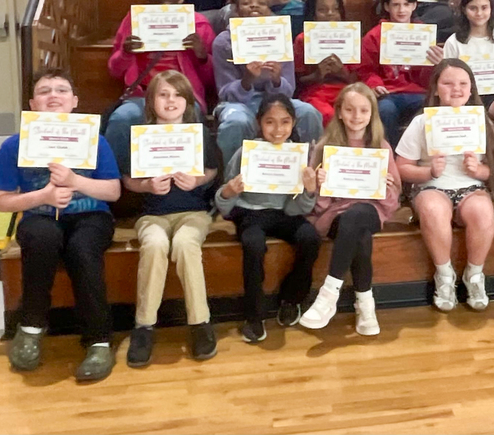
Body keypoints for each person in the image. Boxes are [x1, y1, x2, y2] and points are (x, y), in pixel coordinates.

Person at [0, 69, 121, 382]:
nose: (53, 95)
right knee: (41, 240)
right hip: (39, 216)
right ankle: (31, 328)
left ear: (74, 101)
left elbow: (113, 191)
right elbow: (1, 201)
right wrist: (43, 195)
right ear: (33, 103)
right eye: (45, 90)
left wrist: (75, 181)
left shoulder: (95, 141)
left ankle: (99, 340)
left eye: (61, 90)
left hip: (91, 217)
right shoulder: (13, 146)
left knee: (82, 250)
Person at [122, 71, 220, 368]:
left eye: (177, 94)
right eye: (163, 94)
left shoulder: (198, 133)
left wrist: (197, 180)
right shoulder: (140, 135)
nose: (171, 100)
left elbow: (214, 169)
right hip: (153, 214)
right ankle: (143, 326)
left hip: (194, 212)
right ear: (151, 101)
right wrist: (146, 186)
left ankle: (200, 322)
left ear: (187, 101)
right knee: (153, 245)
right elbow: (127, 179)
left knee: (185, 244)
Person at [395, 59, 494, 312]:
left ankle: (474, 276)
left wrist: (479, 170)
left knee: (482, 211)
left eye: (463, 84)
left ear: (471, 88)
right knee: (434, 210)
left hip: (470, 188)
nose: (456, 89)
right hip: (431, 187)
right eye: (448, 83)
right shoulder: (422, 122)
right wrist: (428, 171)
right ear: (435, 88)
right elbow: (402, 167)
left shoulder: (482, 122)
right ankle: (444, 277)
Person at [216, 93, 320, 343]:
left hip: (285, 214)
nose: (277, 130)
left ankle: (291, 298)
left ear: (293, 123)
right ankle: (254, 315)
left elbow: (300, 209)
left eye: (285, 122)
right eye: (270, 122)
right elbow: (224, 204)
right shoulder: (245, 153)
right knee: (253, 244)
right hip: (251, 214)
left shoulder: (298, 156)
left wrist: (308, 190)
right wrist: (229, 192)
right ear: (259, 123)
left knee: (311, 238)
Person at [299, 83, 403, 335]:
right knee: (358, 232)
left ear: (372, 114)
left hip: (370, 210)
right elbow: (314, 203)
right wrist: (318, 185)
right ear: (340, 112)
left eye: (363, 111)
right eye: (350, 110)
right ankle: (365, 303)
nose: (357, 117)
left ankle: (328, 294)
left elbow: (393, 201)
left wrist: (386, 186)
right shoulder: (325, 148)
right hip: (336, 215)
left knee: (358, 215)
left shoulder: (381, 147)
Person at [105, 0, 215, 173]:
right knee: (121, 118)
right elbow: (114, 70)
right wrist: (125, 53)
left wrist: (201, 55)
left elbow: (212, 81)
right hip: (142, 96)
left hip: (185, 97)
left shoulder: (199, 23)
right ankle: (114, 183)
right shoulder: (133, 21)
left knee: (193, 119)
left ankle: (197, 187)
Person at [212, 0, 323, 166]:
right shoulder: (223, 42)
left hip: (276, 100)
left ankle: (309, 171)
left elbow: (289, 90)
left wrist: (277, 80)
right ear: (236, 10)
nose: (254, 5)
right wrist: (246, 81)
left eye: (262, 2)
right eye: (246, 3)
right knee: (236, 121)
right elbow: (224, 92)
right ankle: (230, 179)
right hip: (240, 103)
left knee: (308, 112)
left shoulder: (280, 36)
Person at [359, 0, 444, 147]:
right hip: (389, 93)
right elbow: (366, 70)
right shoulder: (374, 36)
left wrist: (436, 64)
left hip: (418, 92)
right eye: (396, 5)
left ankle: (416, 155)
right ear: (386, 7)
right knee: (385, 110)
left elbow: (427, 79)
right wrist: (375, 85)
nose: (401, 10)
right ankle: (392, 155)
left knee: (430, 107)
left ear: (414, 6)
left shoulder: (424, 33)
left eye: (406, 4)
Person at [443, 0, 494, 159]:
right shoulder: (453, 42)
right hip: (463, 96)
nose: (479, 13)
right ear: (464, 10)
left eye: (484, 8)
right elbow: (446, 78)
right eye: (473, 8)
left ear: (491, 10)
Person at [293, 0, 359, 125]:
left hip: (347, 90)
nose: (330, 14)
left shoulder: (351, 36)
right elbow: (297, 82)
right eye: (322, 10)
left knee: (356, 112)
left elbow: (360, 79)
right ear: (313, 14)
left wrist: (342, 72)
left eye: (335, 9)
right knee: (328, 115)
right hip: (316, 92)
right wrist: (317, 75)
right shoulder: (302, 39)